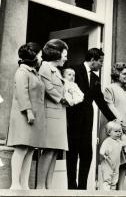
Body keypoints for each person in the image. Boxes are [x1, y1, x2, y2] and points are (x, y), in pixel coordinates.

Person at [66, 48, 115, 190]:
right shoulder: (74, 70)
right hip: (73, 119)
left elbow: (100, 101)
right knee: (72, 153)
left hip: (87, 121)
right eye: (100, 61)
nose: (101, 64)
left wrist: (113, 119)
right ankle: (71, 186)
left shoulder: (95, 78)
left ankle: (82, 187)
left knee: (87, 153)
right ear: (92, 60)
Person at [6, 42, 44, 190]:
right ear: (33, 56)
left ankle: (24, 184)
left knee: (29, 150)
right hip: (24, 116)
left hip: (32, 116)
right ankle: (15, 183)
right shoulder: (22, 72)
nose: (41, 58)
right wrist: (28, 111)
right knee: (21, 149)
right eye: (39, 55)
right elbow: (22, 93)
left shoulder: (33, 72)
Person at [37, 39, 69, 189]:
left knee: (55, 151)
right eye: (64, 54)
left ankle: (48, 186)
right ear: (56, 54)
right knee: (49, 149)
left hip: (58, 115)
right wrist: (64, 99)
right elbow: (49, 89)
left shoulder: (56, 71)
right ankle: (40, 186)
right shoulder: (45, 68)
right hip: (50, 116)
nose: (66, 57)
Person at [103, 62, 126, 190]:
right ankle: (111, 188)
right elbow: (110, 106)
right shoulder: (110, 88)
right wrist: (121, 123)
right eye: (124, 73)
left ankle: (121, 189)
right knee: (113, 160)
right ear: (117, 74)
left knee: (125, 162)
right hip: (116, 130)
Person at [99, 120, 125, 191]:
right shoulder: (107, 141)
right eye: (116, 131)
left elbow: (125, 142)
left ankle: (112, 192)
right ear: (109, 132)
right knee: (107, 180)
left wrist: (122, 133)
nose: (118, 133)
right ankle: (106, 194)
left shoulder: (119, 142)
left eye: (120, 131)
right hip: (107, 164)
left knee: (114, 180)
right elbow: (101, 151)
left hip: (116, 165)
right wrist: (104, 155)